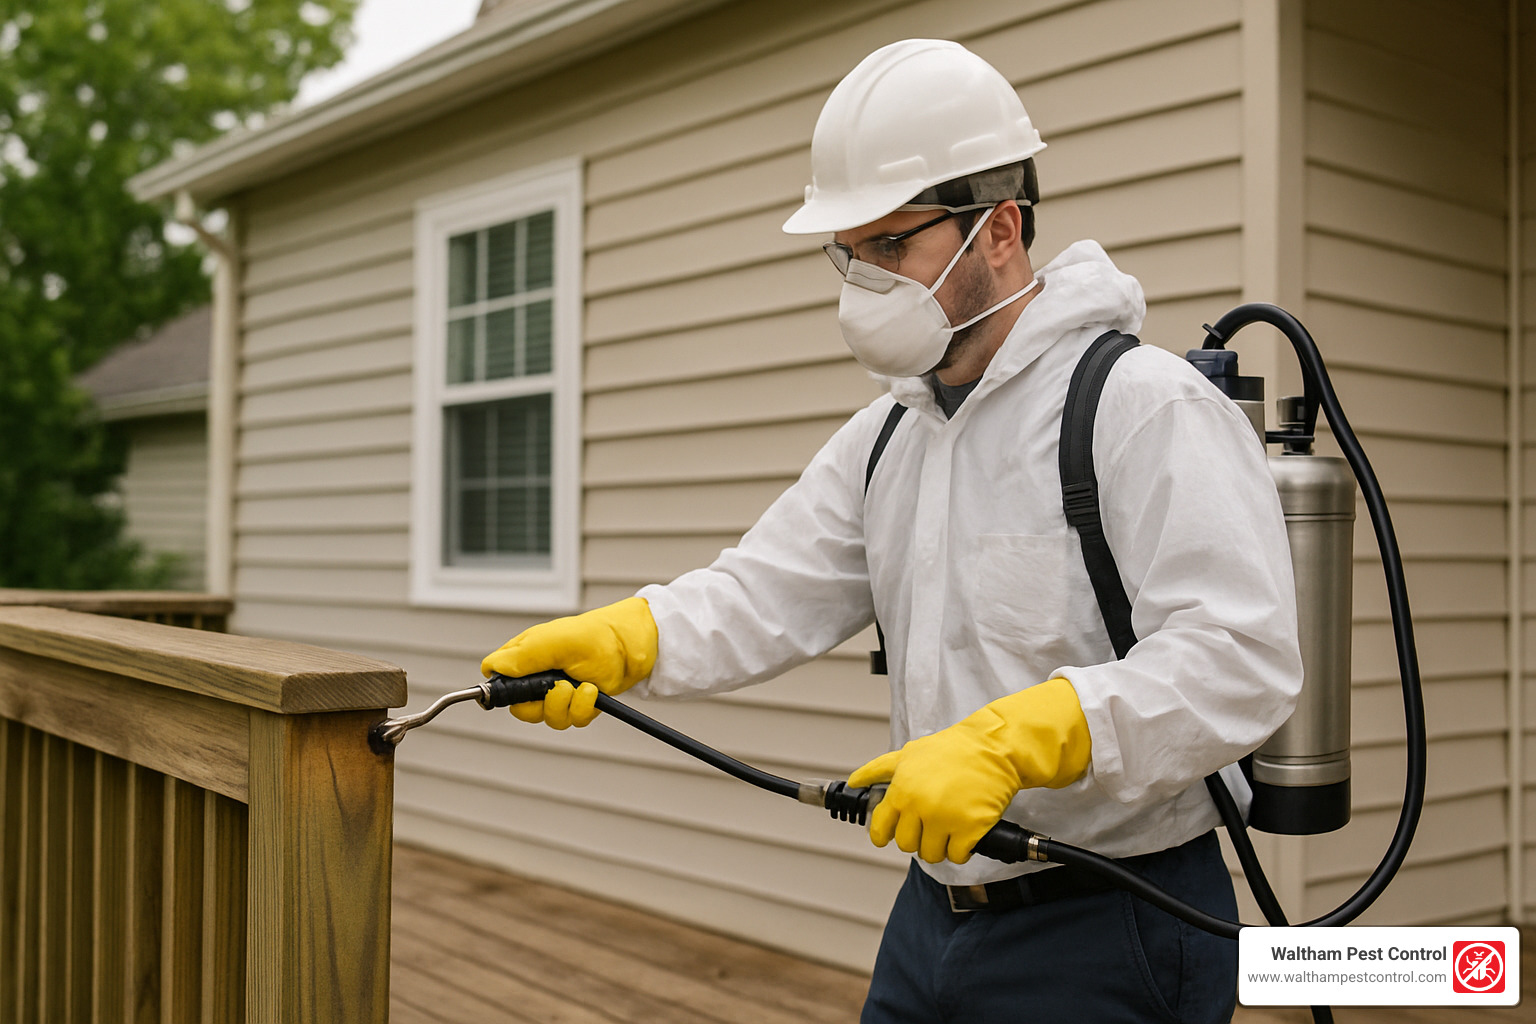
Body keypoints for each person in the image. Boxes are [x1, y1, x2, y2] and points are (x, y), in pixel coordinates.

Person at [481, 38, 1303, 1023]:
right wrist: (626, 640)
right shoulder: (890, 438)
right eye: (851, 252)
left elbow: (1239, 658)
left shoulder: (1142, 407)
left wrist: (1017, 740)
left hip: (1113, 920)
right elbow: (765, 591)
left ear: (1000, 229)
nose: (862, 283)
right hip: (931, 915)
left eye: (890, 247)